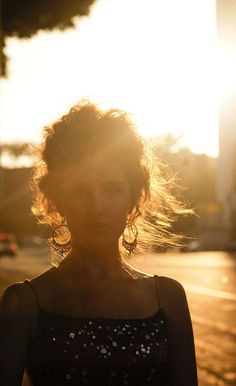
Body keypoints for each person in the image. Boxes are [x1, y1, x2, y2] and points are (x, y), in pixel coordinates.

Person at [0, 101, 198, 386]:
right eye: (80, 191)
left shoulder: (168, 299)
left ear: (134, 198)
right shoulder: (24, 305)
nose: (97, 207)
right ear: (57, 200)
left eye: (112, 189)